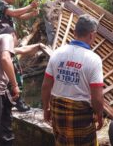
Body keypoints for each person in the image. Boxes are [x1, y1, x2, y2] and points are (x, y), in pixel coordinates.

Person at [0, 26, 43, 146]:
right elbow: (5, 59)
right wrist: (15, 85)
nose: (16, 42)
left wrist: (39, 46)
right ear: (14, 35)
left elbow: (22, 49)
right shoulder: (6, 37)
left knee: (5, 130)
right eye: (17, 39)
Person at [41, 14, 104, 146]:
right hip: (80, 116)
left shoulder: (57, 53)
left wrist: (46, 108)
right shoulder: (93, 59)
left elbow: (46, 86)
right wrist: (99, 115)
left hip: (58, 112)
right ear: (92, 35)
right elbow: (97, 98)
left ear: (74, 32)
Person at [0, 0, 38, 111]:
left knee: (13, 69)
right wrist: (30, 6)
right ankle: (18, 100)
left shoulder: (8, 6)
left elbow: (20, 16)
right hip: (4, 43)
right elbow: (13, 13)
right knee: (14, 70)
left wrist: (32, 13)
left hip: (9, 46)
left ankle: (13, 99)